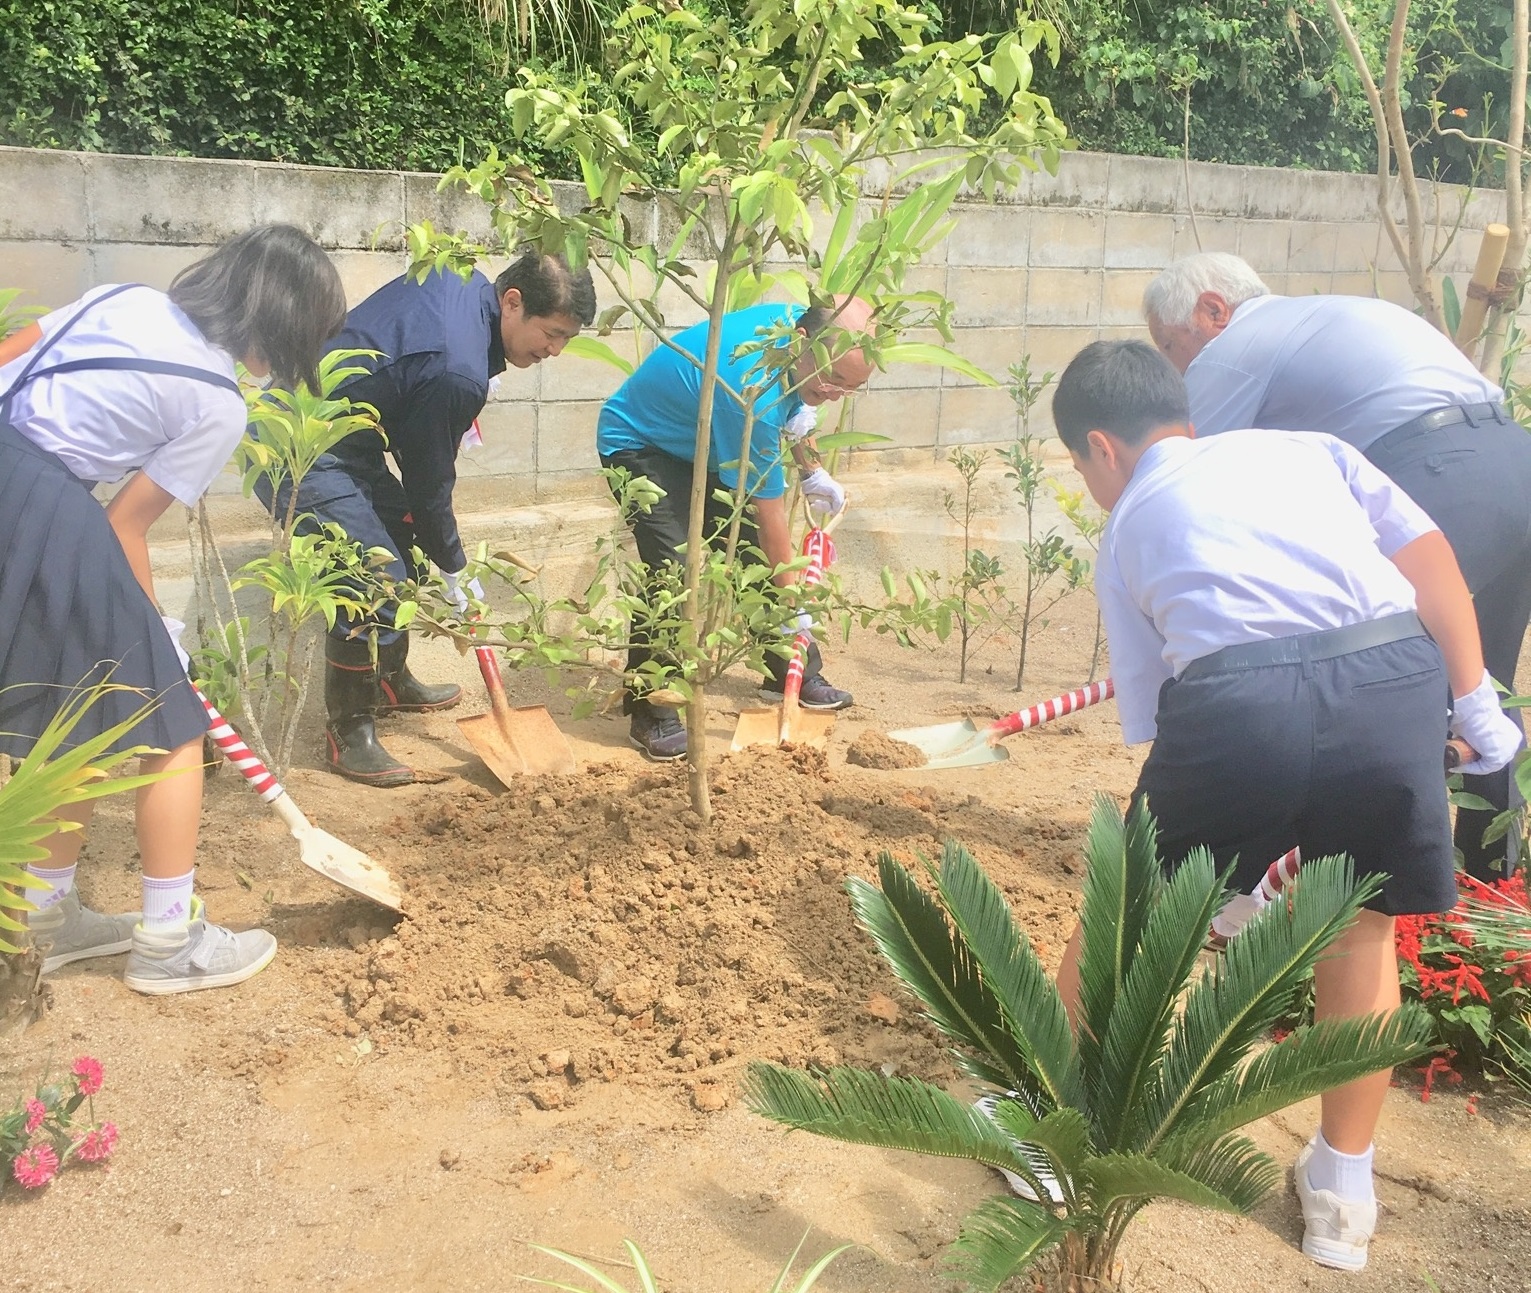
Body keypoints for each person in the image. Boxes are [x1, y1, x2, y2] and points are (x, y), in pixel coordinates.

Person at [1046, 340, 1521, 1270]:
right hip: (1392, 675)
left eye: (1079, 466)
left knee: (1131, 912)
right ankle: (1343, 1194)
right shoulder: (1308, 450)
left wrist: (1235, 858)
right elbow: (1430, 561)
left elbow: (1158, 717)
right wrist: (1475, 700)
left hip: (1234, 697)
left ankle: (1042, 1129)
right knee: (1360, 930)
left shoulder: (1127, 522)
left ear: (1100, 447)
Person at [0, 224, 347, 995]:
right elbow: (125, 522)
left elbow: (10, 355)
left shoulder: (120, 298)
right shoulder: (217, 400)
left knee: (72, 710)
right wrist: (164, 637)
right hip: (48, 502)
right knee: (170, 720)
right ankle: (167, 940)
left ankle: (47, 921)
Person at [1143, 252, 1531, 880]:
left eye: (1170, 345)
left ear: (1212, 311)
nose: (1175, 366)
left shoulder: (1232, 349)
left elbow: (1183, 476)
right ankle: (1492, 878)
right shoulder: (1327, 317)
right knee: (1480, 673)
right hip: (1514, 459)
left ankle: (1382, 868)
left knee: (1387, 667)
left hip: (1441, 470)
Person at [255, 250, 596, 786]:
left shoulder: (462, 281)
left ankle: (389, 680)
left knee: (405, 544)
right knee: (369, 577)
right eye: (551, 333)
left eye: (565, 341)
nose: (554, 350)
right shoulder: (457, 369)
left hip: (347, 435)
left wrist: (435, 546)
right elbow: (429, 478)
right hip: (296, 442)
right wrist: (456, 565)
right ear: (512, 302)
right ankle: (350, 732)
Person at [596, 297, 869, 761]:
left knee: (754, 557)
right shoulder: (752, 392)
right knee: (673, 572)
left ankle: (790, 670)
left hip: (705, 439)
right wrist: (794, 606)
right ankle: (650, 709)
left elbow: (798, 406)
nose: (837, 391)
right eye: (833, 380)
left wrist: (811, 469)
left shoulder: (800, 323)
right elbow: (769, 516)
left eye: (851, 387)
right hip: (641, 443)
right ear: (804, 343)